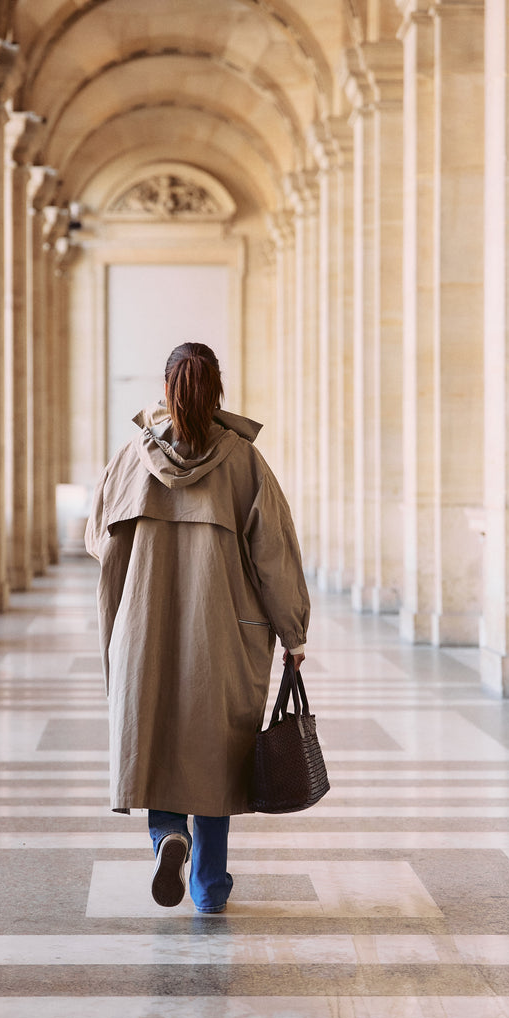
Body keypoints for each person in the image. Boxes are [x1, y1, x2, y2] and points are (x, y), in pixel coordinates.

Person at [84, 342, 310, 913]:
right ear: (218, 392)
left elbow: (96, 539)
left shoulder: (130, 459)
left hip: (144, 634)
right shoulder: (244, 462)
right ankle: (210, 887)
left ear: (166, 389)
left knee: (157, 736)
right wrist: (293, 631)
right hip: (224, 636)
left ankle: (168, 837)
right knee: (217, 751)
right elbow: (274, 556)